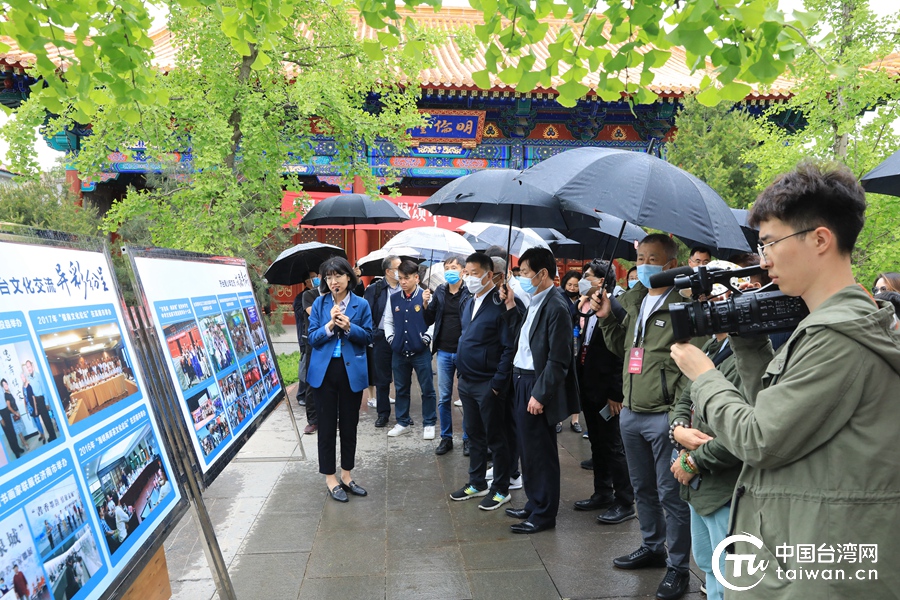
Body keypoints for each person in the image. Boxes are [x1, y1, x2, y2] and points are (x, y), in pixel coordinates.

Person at [671, 161, 900, 598]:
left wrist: (704, 375)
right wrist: (750, 345)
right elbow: (777, 412)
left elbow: (761, 439)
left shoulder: (839, 338)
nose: (764, 259)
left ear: (819, 239)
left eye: (771, 243)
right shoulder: (830, 326)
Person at [591, 233, 706, 600]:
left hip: (664, 415)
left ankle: (677, 567)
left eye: (651, 259)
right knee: (643, 488)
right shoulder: (635, 301)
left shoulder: (683, 305)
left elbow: (694, 363)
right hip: (631, 410)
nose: (643, 265)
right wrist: (607, 317)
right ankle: (653, 546)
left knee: (670, 493)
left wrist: (679, 415)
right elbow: (622, 349)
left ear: (670, 265)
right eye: (639, 257)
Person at [669, 261, 748, 600]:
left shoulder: (749, 354)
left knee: (729, 572)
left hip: (723, 486)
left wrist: (692, 461)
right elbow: (685, 396)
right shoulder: (713, 348)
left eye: (704, 300)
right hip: (701, 488)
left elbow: (743, 431)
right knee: (708, 563)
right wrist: (678, 430)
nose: (697, 308)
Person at [499, 247, 580, 534]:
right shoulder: (535, 301)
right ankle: (535, 503)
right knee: (527, 448)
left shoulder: (556, 306)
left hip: (536, 383)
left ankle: (545, 514)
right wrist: (510, 305)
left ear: (542, 273)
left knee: (540, 452)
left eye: (524, 273)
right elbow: (523, 338)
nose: (521, 278)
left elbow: (559, 360)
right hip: (521, 379)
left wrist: (540, 394)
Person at [449, 252, 519, 510]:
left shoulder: (501, 303)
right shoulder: (467, 301)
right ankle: (476, 482)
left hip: (489, 383)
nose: (468, 278)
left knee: (496, 437)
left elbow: (508, 347)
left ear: (490, 275)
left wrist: (498, 383)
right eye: (466, 273)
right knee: (474, 434)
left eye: (474, 273)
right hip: (467, 380)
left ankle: (501, 488)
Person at [306, 257, 374, 503]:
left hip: (350, 371)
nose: (333, 281)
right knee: (325, 427)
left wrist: (348, 327)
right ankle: (330, 478)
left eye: (338, 276)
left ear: (348, 277)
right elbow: (312, 338)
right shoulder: (319, 303)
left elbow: (368, 336)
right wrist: (328, 325)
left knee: (349, 424)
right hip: (324, 372)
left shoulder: (361, 305)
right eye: (328, 277)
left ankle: (346, 474)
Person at [572, 260, 634, 524]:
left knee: (613, 445)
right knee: (596, 442)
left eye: (588, 276)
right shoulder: (586, 306)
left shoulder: (616, 308)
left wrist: (616, 394)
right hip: (589, 384)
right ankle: (602, 491)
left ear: (601, 281)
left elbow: (621, 354)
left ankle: (624, 500)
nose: (583, 280)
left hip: (609, 390)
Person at [422, 254, 471, 455]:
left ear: (462, 270)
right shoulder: (440, 291)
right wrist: (425, 304)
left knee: (467, 397)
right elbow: (429, 318)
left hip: (464, 351)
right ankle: (446, 437)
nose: (450, 271)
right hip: (443, 351)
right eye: (447, 267)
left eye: (453, 267)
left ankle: (468, 438)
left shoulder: (469, 293)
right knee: (444, 397)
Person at [384, 259, 438, 439]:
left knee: (427, 388)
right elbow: (388, 321)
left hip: (420, 351)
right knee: (401, 388)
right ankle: (402, 421)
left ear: (416, 277)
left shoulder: (426, 296)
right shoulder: (393, 298)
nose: (403, 282)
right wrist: (391, 339)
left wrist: (427, 338)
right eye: (400, 278)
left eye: (406, 278)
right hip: (399, 351)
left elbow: (434, 321)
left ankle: (429, 422)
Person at [363, 255, 402, 428]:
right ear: (388, 271)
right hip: (381, 337)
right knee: (382, 379)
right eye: (397, 268)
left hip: (402, 338)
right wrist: (374, 334)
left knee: (402, 378)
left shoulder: (406, 287)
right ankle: (383, 414)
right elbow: (367, 314)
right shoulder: (375, 289)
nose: (400, 272)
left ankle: (403, 415)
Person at [294, 271, 322, 435]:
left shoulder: (337, 295)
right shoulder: (307, 295)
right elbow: (315, 314)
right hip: (312, 341)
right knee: (311, 382)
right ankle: (313, 421)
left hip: (332, 341)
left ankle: (335, 416)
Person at [1, 379, 25, 458]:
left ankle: (18, 448)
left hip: (7, 411)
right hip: (1, 414)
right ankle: (15, 452)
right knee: (9, 434)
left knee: (13, 432)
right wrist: (0, 419)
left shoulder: (1, 388)